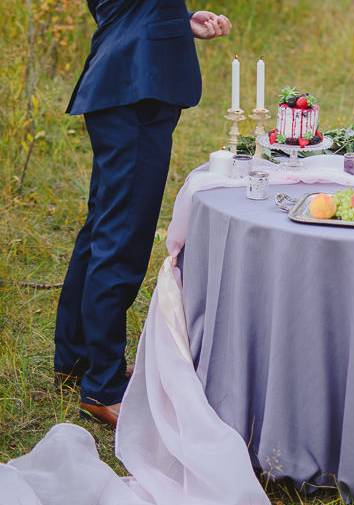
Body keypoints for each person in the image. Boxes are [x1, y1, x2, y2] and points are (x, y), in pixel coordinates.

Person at [53, 0, 231, 428]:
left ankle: (77, 356)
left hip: (131, 82)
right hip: (134, 89)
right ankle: (103, 386)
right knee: (122, 239)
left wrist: (179, 21)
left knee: (103, 228)